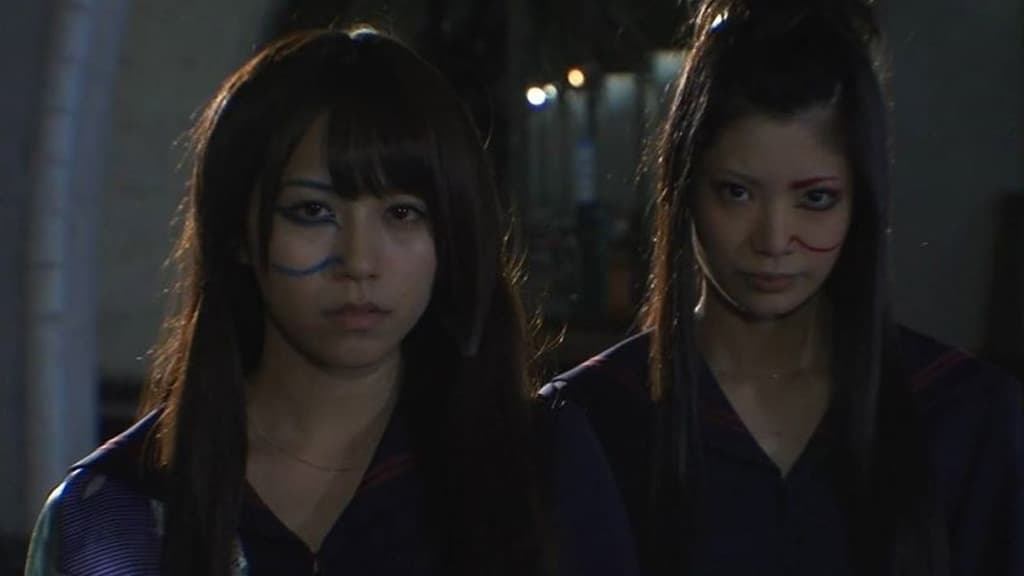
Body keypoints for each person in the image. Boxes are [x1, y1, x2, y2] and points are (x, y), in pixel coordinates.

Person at [25, 28, 637, 575]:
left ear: (451, 234)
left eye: (403, 213)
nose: (359, 261)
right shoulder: (115, 517)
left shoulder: (538, 466)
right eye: (313, 211)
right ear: (237, 232)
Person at [542, 1, 1024, 575]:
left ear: (860, 201)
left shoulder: (961, 414)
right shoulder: (595, 418)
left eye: (815, 198)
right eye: (736, 192)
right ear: (684, 187)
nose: (773, 240)